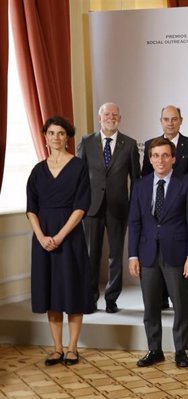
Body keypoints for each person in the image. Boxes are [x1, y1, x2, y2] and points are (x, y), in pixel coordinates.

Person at [128, 138, 188, 368]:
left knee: (180, 304)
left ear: (173, 158)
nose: (160, 160)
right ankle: (154, 350)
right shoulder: (141, 185)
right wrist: (133, 255)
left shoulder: (186, 183)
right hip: (147, 253)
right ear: (149, 159)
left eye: (165, 155)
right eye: (155, 156)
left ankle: (180, 350)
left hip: (177, 254)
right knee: (150, 305)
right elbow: (135, 222)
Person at [27, 116, 94, 366]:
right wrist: (42, 237)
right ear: (45, 137)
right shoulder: (37, 170)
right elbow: (31, 208)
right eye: (52, 133)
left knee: (73, 290)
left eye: (61, 133)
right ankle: (56, 348)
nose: (56, 137)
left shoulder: (78, 167)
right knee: (50, 292)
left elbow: (81, 206)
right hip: (42, 239)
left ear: (68, 137)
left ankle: (73, 348)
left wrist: (60, 236)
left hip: (70, 236)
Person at [77, 102, 141, 313]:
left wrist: (134, 208)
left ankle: (111, 299)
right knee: (90, 255)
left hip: (119, 208)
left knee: (115, 256)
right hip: (91, 209)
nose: (111, 117)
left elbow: (137, 180)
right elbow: (79, 176)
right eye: (107, 114)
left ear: (120, 119)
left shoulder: (130, 144)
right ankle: (90, 297)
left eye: (115, 114)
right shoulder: (86, 142)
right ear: (100, 117)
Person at [143, 105, 188, 312]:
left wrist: (174, 194)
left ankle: (185, 297)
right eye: (166, 119)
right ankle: (160, 297)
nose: (170, 122)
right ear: (161, 121)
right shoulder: (151, 145)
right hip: (156, 210)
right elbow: (145, 176)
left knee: (181, 259)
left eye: (174, 119)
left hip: (180, 207)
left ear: (180, 120)